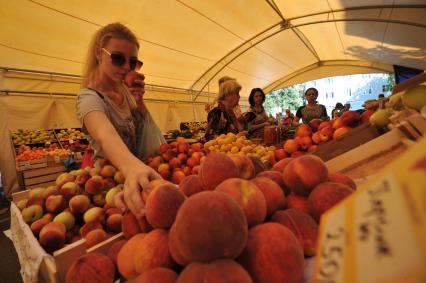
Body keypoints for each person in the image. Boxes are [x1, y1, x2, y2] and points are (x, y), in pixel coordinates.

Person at [76, 23, 161, 218]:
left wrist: (139, 102)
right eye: (117, 58)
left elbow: (141, 131)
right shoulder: (89, 98)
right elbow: (105, 135)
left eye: (132, 63)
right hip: (107, 189)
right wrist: (133, 168)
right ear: (99, 53)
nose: (125, 68)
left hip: (136, 179)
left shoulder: (124, 90)